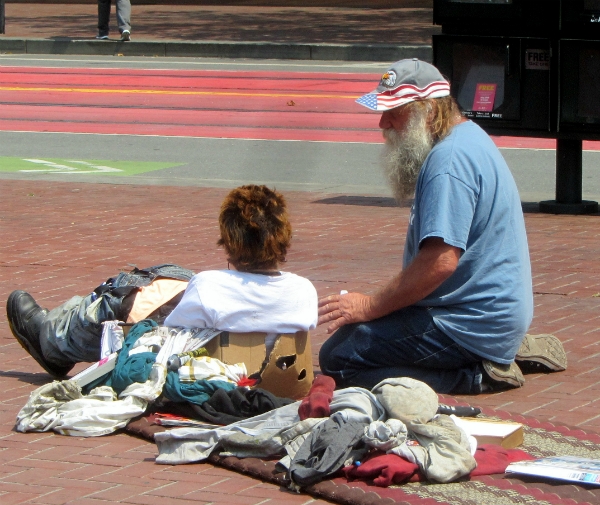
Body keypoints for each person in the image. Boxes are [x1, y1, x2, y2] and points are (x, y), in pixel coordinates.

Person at [318, 58, 566, 395]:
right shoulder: (467, 135)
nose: (383, 123)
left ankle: (475, 374)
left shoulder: (447, 163)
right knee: (368, 331)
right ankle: (499, 350)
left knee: (340, 357)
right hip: (489, 315)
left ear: (429, 112)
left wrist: (369, 305)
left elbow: (439, 263)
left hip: (471, 322)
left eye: (395, 112)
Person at [7, 185, 318, 380]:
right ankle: (61, 330)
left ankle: (53, 340)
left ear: (229, 243)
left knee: (132, 295)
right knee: (176, 278)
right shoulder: (305, 290)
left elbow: (167, 336)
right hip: (276, 375)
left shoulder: (209, 285)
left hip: (201, 368)